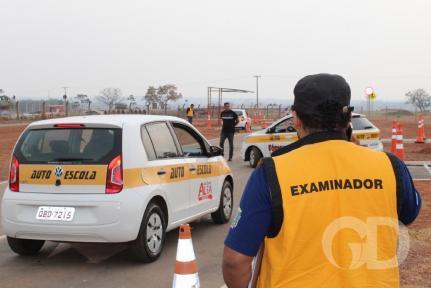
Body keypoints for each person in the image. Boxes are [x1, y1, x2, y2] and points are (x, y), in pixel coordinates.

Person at [222, 73, 421, 288]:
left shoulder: (272, 172)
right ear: (348, 119)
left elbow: (235, 261)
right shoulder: (389, 166)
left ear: (296, 119)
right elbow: (409, 213)